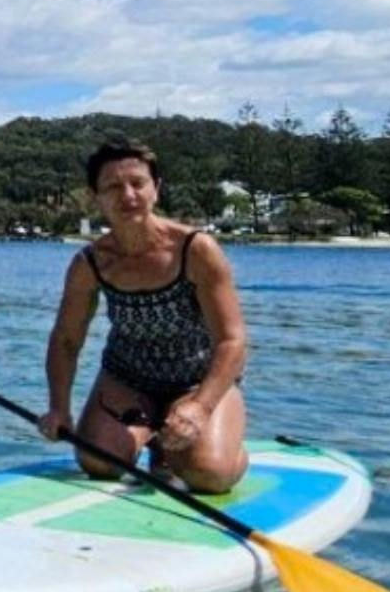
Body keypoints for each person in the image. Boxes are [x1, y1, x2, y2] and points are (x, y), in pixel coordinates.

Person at [39, 138, 248, 493]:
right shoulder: (90, 263)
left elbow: (232, 341)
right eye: (113, 187)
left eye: (138, 183)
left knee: (209, 474)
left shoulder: (195, 250)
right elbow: (66, 340)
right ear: (95, 197)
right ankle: (151, 437)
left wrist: (200, 407)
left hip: (196, 381)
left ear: (156, 189)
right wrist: (59, 409)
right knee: (98, 462)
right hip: (127, 378)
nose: (128, 195)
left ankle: (221, 447)